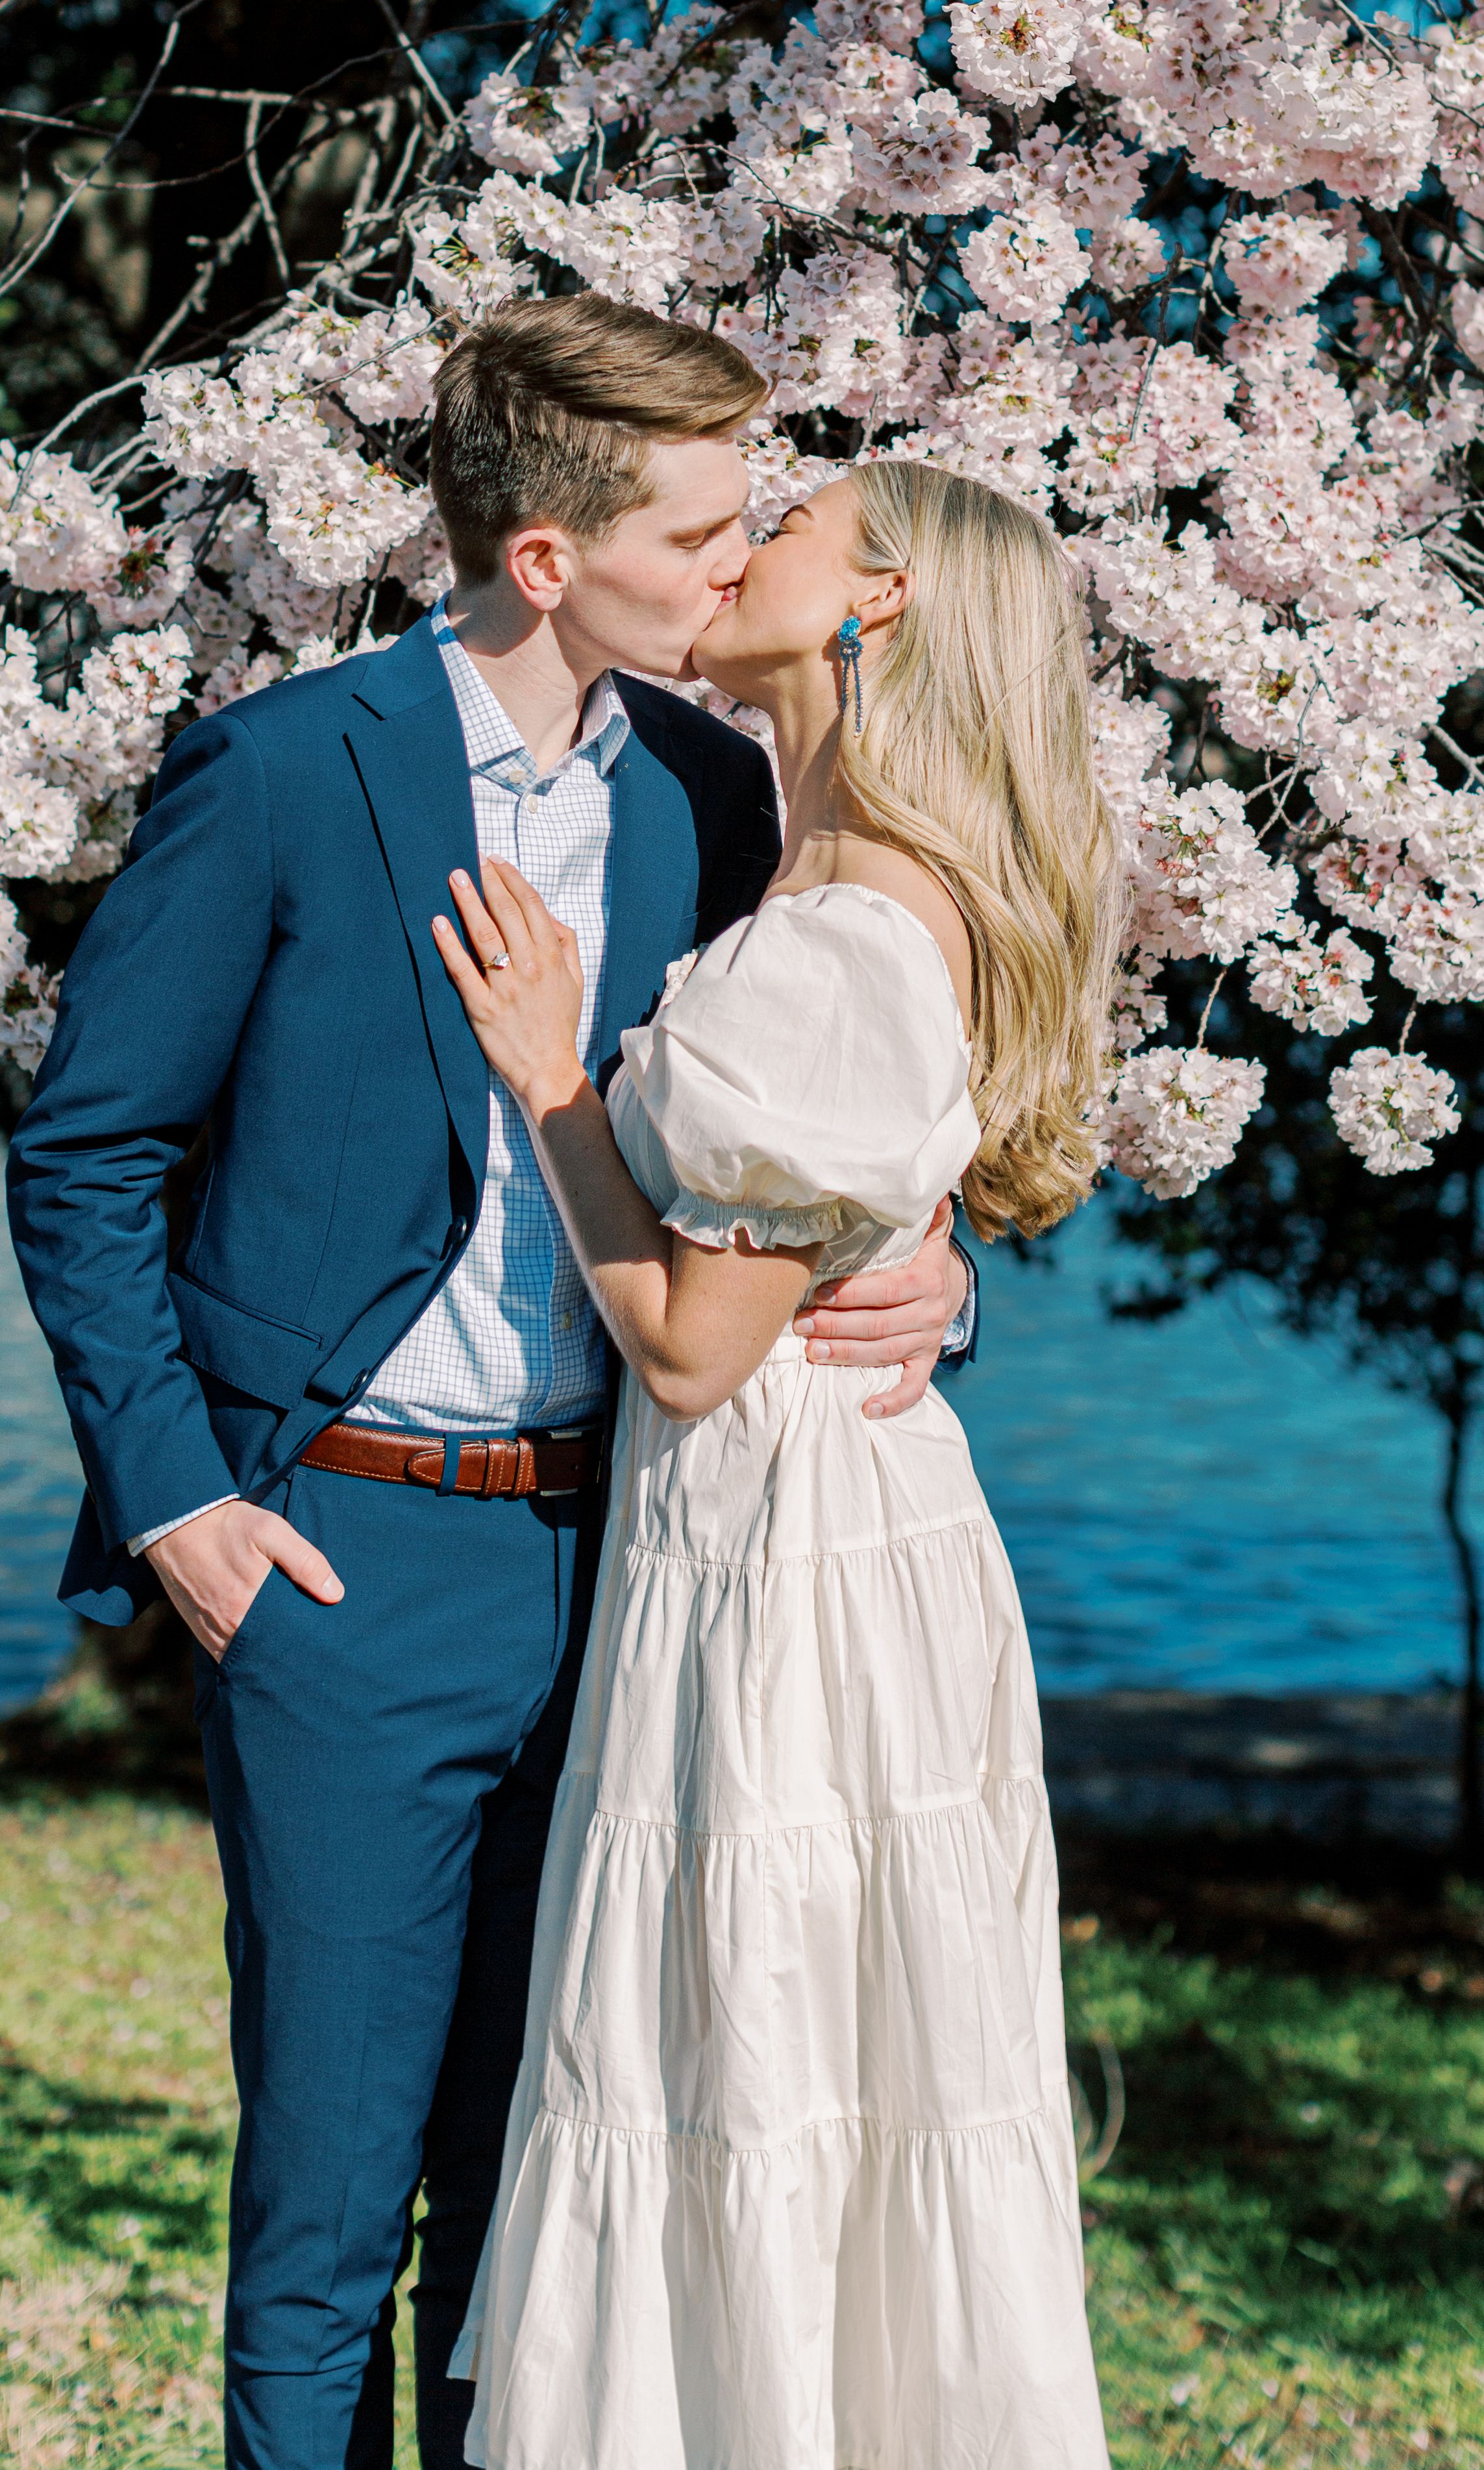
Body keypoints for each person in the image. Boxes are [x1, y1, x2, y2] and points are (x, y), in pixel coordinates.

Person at [6, 297, 976, 2470]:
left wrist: (942, 1271)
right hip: (340, 1568)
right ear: (548, 560)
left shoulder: (729, 802)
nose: (744, 572)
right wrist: (180, 1509)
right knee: (335, 2203)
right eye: (705, 535)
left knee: (559, 2202)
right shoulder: (283, 771)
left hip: (647, 1570)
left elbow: (824, 1116)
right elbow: (87, 1158)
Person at [430, 456, 1118, 2470]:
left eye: (790, 527)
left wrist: (556, 1081)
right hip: (821, 1535)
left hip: (785, 1554)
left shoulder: (837, 935)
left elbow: (691, 1342)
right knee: (818, 2072)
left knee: (755, 2055)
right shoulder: (835, 887)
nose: (741, 550)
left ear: (873, 608)